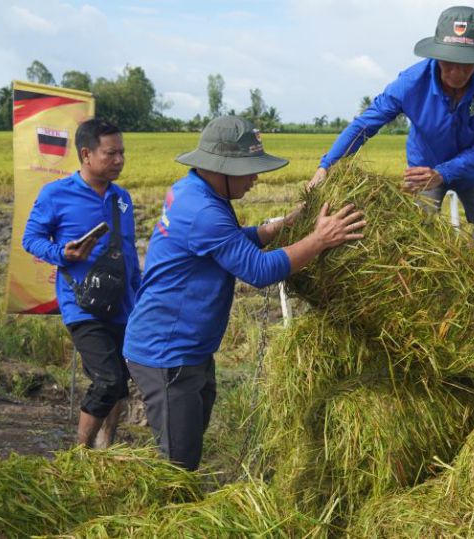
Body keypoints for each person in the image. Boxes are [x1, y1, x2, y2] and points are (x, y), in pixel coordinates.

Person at [123, 116, 366, 471]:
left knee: (188, 444)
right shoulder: (204, 211)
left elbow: (229, 243)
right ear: (220, 167)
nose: (256, 178)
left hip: (188, 346)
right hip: (167, 352)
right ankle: (169, 505)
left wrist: (282, 225)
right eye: (248, 170)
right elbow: (259, 270)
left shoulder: (194, 191)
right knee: (177, 464)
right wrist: (318, 240)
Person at [310, 5, 474, 248]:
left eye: (466, 64)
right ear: (437, 54)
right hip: (423, 170)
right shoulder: (411, 83)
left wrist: (443, 173)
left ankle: (466, 265)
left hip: (470, 169)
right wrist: (326, 166)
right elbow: (364, 125)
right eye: (449, 62)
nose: (457, 73)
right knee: (416, 239)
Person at [22, 118, 140, 448]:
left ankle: (106, 449)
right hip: (82, 306)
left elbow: (129, 252)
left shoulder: (122, 198)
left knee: (120, 382)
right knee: (107, 380)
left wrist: (139, 296)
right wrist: (63, 253)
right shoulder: (56, 194)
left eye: (122, 153)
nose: (119, 160)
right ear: (86, 154)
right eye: (111, 153)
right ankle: (81, 452)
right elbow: (30, 239)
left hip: (122, 304)